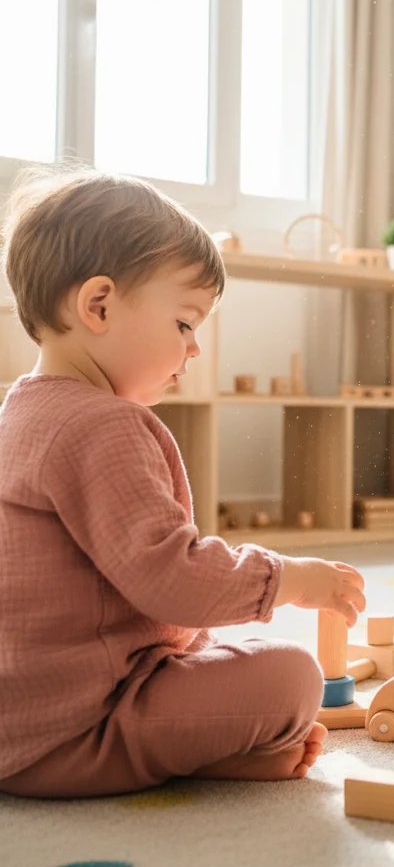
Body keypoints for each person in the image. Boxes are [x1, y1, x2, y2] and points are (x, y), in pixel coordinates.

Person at [0, 168, 366, 798]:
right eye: (184, 324)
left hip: (24, 714)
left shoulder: (21, 411)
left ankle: (207, 753)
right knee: (294, 675)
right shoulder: (102, 426)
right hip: (76, 730)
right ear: (99, 305)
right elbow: (173, 578)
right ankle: (168, 755)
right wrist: (290, 578)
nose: (194, 350)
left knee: (228, 645)